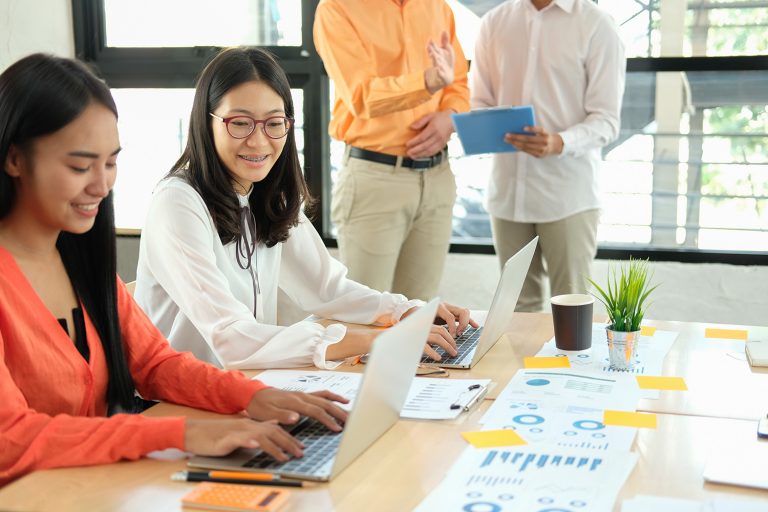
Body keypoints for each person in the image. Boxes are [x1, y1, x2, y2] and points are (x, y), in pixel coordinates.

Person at [0, 53, 350, 486]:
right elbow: (10, 439)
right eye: (79, 166)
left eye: (111, 163)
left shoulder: (77, 262)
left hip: (89, 483)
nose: (101, 185)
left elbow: (154, 364)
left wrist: (255, 396)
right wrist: (184, 431)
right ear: (14, 159)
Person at [134, 47, 475, 370]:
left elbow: (327, 288)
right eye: (239, 123)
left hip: (245, 388)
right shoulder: (177, 203)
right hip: (175, 403)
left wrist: (406, 312)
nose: (258, 140)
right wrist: (378, 339)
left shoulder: (265, 193)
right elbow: (231, 337)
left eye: (273, 122)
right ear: (206, 123)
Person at [470, 0, 626, 312]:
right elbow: (479, 101)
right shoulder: (493, 23)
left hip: (568, 197)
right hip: (508, 194)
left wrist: (559, 142)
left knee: (572, 312)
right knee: (514, 312)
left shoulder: (597, 25)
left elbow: (607, 120)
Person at [313, 0, 470, 300]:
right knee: (367, 315)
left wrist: (449, 116)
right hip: (376, 179)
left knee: (420, 317)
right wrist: (428, 81)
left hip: (437, 178)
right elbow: (362, 96)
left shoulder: (438, 7)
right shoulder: (337, 8)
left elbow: (458, 81)